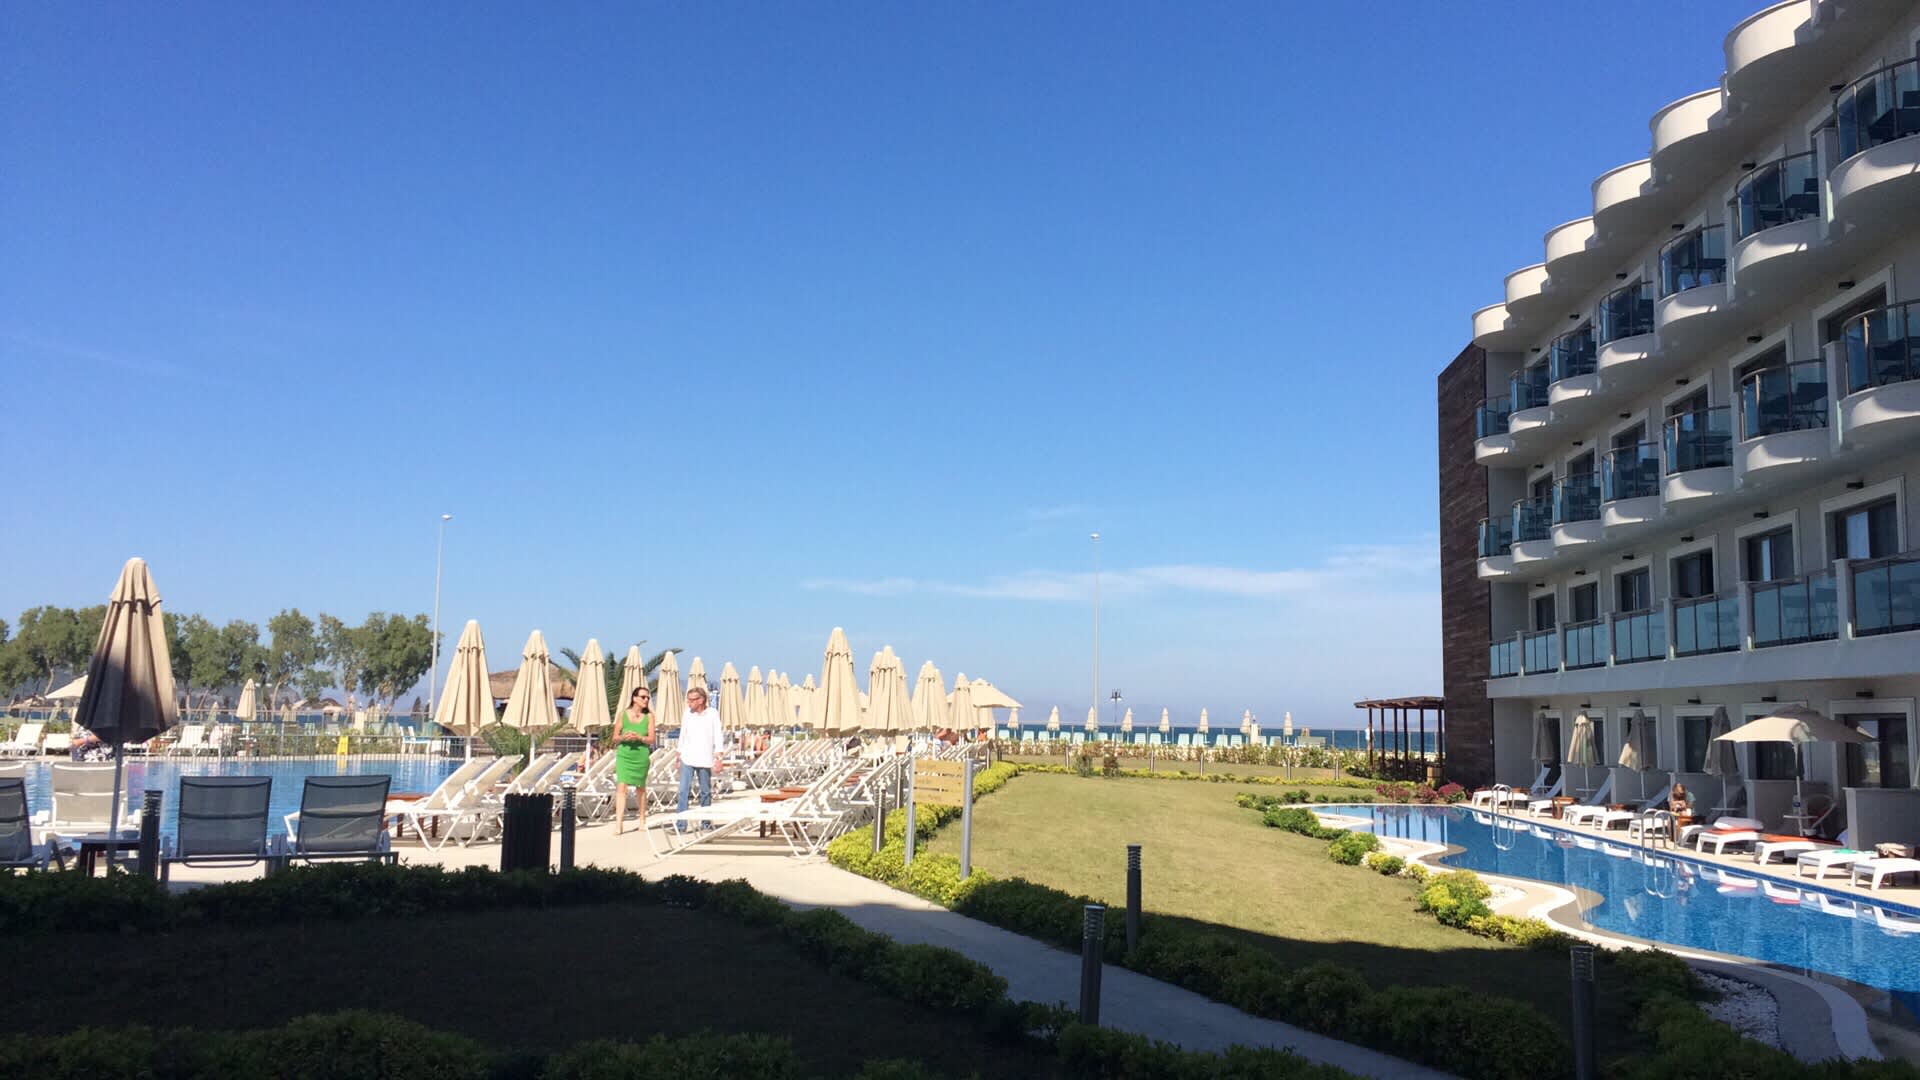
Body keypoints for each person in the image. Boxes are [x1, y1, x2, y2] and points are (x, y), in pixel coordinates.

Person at [677, 686, 725, 832]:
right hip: (687, 757)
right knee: (683, 791)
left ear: (701, 700)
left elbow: (718, 735)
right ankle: (681, 825)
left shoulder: (712, 714)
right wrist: (678, 755)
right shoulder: (687, 714)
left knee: (705, 791)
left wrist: (719, 757)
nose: (689, 703)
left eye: (692, 700)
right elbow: (683, 734)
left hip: (705, 757)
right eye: (688, 700)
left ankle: (706, 822)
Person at [611, 687, 657, 836]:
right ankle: (619, 823)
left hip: (641, 755)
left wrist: (639, 737)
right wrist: (624, 737)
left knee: (640, 788)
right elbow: (615, 737)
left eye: (648, 697)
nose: (646, 700)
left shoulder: (649, 716)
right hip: (624, 755)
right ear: (634, 698)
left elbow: (652, 739)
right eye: (643, 697)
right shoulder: (623, 714)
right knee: (621, 786)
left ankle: (642, 818)